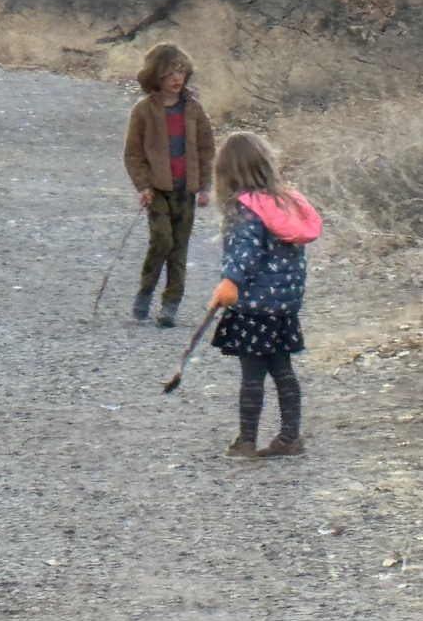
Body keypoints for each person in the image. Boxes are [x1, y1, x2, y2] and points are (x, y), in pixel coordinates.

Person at [208, 132, 322, 459]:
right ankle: (289, 437)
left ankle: (246, 440)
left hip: (254, 306)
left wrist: (229, 283)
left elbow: (244, 255)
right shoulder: (284, 202)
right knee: (282, 368)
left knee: (252, 374)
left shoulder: (245, 209)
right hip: (283, 305)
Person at [123, 42, 216, 327]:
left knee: (179, 249)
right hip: (158, 190)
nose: (176, 79)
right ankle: (146, 292)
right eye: (169, 73)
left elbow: (206, 148)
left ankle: (170, 305)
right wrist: (143, 186)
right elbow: (133, 153)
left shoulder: (193, 109)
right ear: (155, 76)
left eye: (181, 72)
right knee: (162, 240)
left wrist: (204, 186)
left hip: (185, 190)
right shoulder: (143, 110)